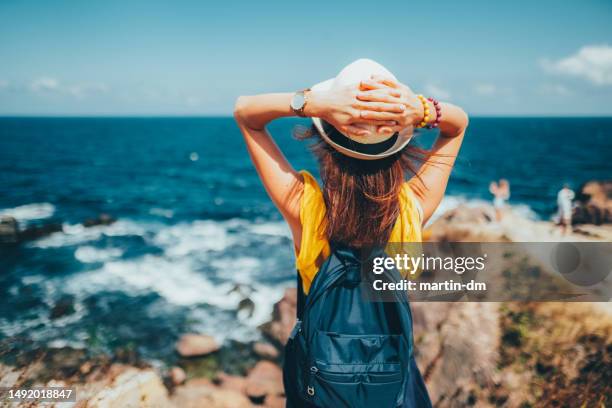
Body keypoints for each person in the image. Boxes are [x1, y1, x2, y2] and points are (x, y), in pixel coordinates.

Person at [234, 59, 468, 407]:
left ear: (326, 142)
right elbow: (457, 124)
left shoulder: (307, 210)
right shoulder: (412, 208)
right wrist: (418, 109)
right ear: (399, 146)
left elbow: (245, 114)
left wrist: (313, 103)